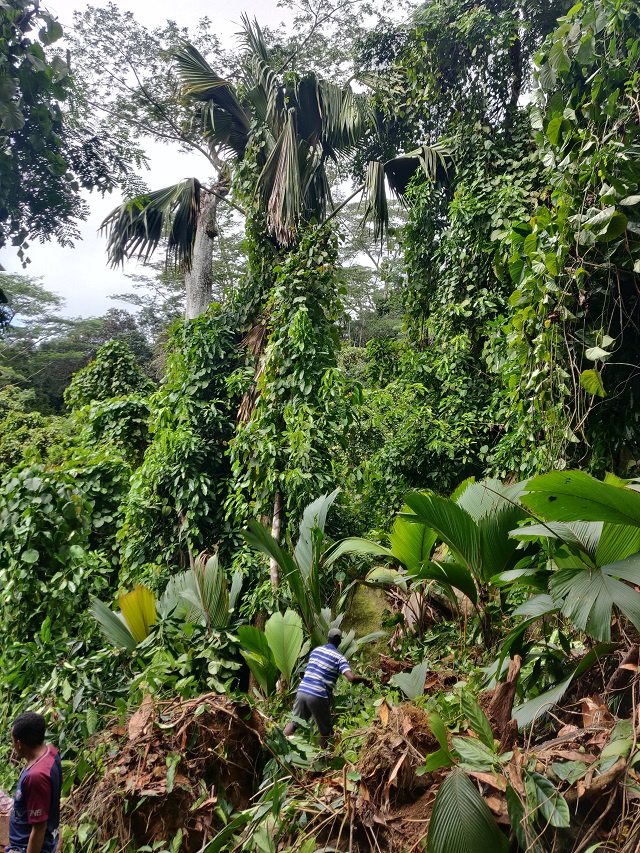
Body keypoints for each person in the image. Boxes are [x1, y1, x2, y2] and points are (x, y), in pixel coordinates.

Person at [283, 628, 373, 748]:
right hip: (318, 695)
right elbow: (350, 678)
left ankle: (280, 748)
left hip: (302, 690)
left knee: (294, 723)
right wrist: (364, 680)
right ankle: (321, 761)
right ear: (340, 642)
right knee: (326, 733)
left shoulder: (316, 651)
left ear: (328, 639)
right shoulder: (340, 658)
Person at [7, 712, 61, 853]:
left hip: (27, 848)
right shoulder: (51, 753)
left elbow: (39, 829)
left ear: (19, 744)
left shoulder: (36, 777)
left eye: (12, 741)